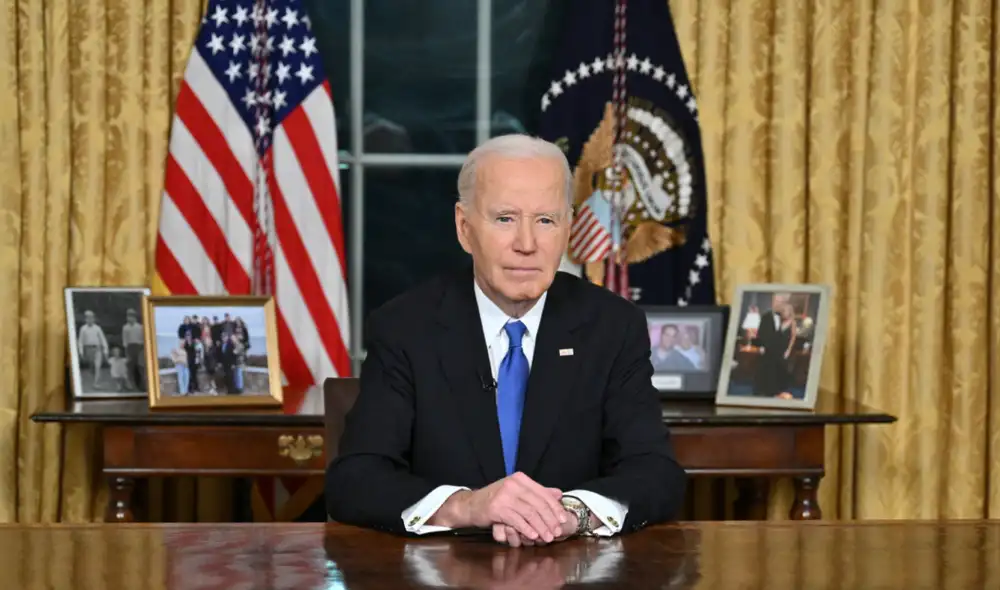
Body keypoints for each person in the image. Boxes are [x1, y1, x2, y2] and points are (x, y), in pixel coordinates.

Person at [326, 134, 686, 547]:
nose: (527, 244)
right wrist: (467, 506)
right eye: (505, 219)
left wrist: (572, 514)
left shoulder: (613, 326)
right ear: (465, 228)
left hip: (572, 571)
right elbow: (355, 478)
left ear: (568, 228)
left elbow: (656, 472)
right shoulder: (405, 327)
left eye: (546, 220)